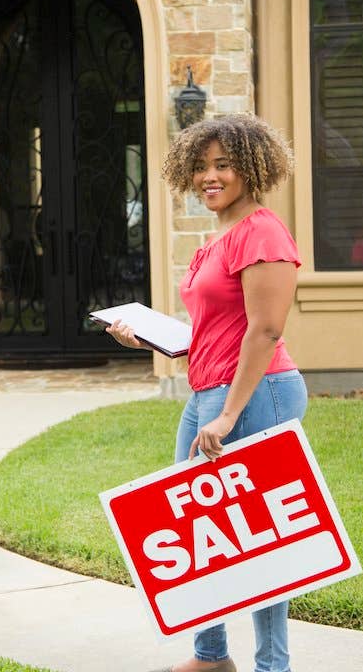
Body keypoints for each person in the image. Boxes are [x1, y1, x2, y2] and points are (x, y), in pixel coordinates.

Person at [106, 114, 306, 672]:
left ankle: (273, 665)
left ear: (253, 166)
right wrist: (145, 336)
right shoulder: (218, 238)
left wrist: (227, 416)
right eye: (200, 167)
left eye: (222, 165)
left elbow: (265, 332)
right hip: (207, 392)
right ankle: (211, 656)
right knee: (196, 529)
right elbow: (214, 331)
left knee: (259, 536)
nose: (208, 177)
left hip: (256, 392)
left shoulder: (263, 231)